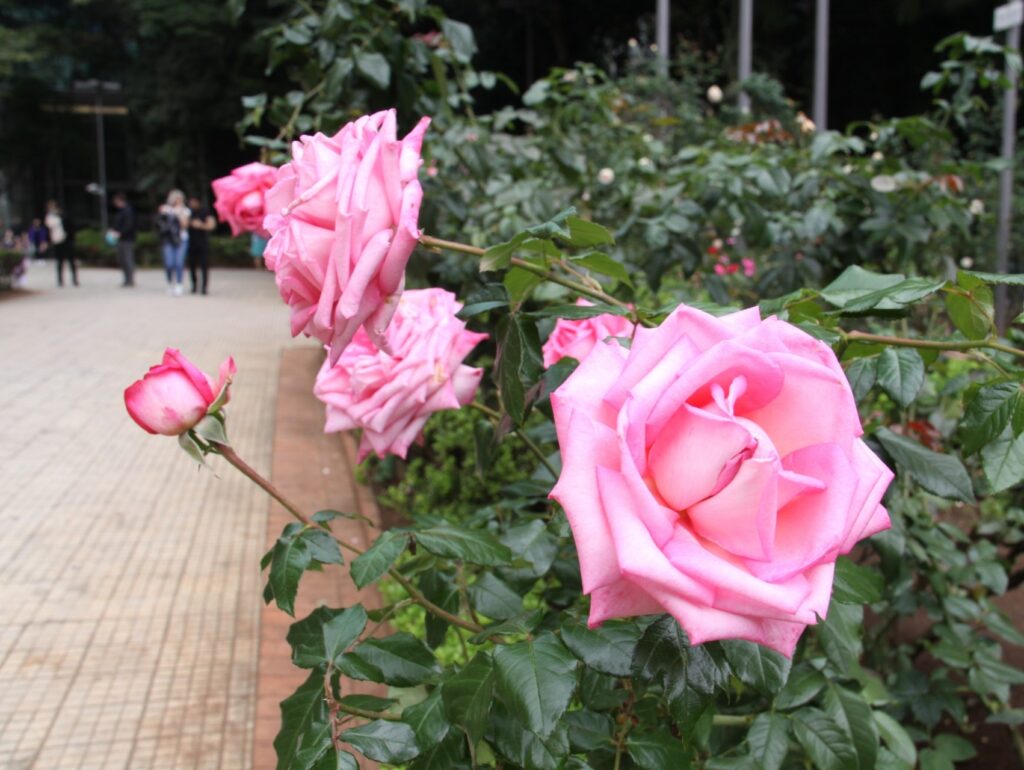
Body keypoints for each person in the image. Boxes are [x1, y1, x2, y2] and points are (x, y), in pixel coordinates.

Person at [156, 189, 190, 295]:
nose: (178, 201)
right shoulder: (165, 209)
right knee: (169, 263)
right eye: (176, 199)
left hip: (181, 239)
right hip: (168, 239)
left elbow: (185, 225)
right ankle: (170, 283)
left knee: (179, 262)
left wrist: (179, 214)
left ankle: (179, 284)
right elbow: (160, 222)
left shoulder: (185, 210)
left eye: (180, 199)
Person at [186, 194, 215, 294]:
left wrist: (200, 225)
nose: (192, 203)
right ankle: (194, 286)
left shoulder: (205, 211)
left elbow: (211, 225)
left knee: (204, 266)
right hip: (191, 243)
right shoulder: (188, 212)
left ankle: (204, 287)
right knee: (192, 266)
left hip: (203, 243)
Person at [45, 200, 77, 287]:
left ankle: (74, 280)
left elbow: (71, 227)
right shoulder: (49, 217)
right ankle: (60, 281)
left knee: (71, 261)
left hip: (67, 240)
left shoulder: (64, 216)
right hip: (57, 241)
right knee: (59, 262)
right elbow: (49, 228)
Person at [110, 192, 136, 287]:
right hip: (120, 238)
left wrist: (120, 232)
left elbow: (129, 226)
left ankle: (130, 280)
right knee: (122, 260)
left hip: (127, 239)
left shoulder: (128, 211)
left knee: (128, 259)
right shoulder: (121, 211)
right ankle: (126, 279)